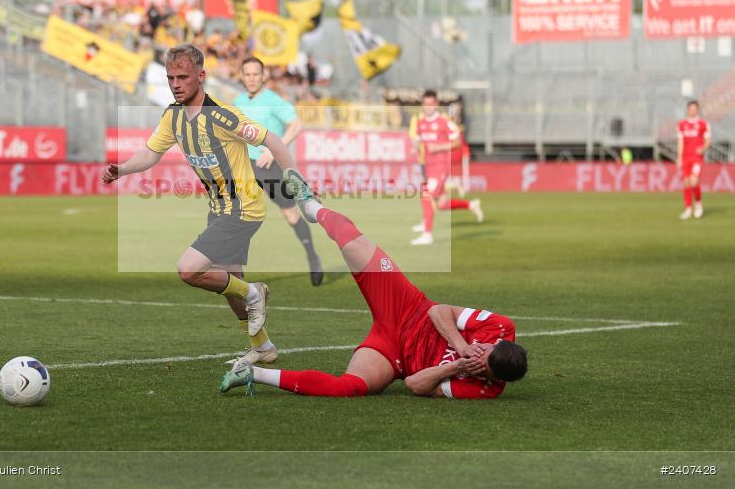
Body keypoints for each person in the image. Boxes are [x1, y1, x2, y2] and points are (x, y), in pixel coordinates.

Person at [220, 169, 527, 399]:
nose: (478, 355)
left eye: (481, 364)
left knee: (349, 387)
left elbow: (414, 385)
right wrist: (462, 345)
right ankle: (312, 207)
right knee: (352, 245)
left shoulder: (483, 388)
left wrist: (456, 367)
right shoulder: (499, 328)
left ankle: (251, 373)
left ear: (493, 377)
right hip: (409, 307)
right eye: (483, 350)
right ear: (495, 343)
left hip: (395, 354)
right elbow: (440, 311)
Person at [102, 44, 305, 365]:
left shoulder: (222, 116)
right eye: (170, 77)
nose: (175, 83)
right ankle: (263, 347)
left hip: (243, 208)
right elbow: (151, 153)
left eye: (183, 76)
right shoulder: (173, 117)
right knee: (229, 280)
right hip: (219, 209)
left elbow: (273, 140)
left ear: (201, 76)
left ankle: (256, 292)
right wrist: (123, 169)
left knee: (189, 269)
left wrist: (296, 180)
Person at [234, 57, 324, 288]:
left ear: (263, 76)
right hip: (247, 167)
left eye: (256, 74)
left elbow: (297, 125)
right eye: (248, 74)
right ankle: (237, 274)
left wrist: (275, 150)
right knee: (239, 216)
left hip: (270, 167)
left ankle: (313, 257)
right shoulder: (238, 101)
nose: (252, 78)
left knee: (291, 215)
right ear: (242, 76)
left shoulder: (274, 101)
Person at [410, 91, 483, 246]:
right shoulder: (421, 123)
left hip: (441, 166)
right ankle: (470, 205)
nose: (428, 107)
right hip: (428, 166)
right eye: (425, 104)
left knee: (426, 195)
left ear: (436, 104)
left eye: (431, 104)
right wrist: (415, 146)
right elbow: (417, 141)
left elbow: (457, 142)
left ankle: (427, 234)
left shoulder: (445, 121)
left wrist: (439, 147)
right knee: (441, 204)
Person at [677, 100, 711, 220]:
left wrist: (703, 148)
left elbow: (708, 140)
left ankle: (698, 203)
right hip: (685, 157)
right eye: (690, 109)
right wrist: (679, 158)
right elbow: (680, 142)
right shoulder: (682, 124)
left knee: (694, 181)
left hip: (696, 158)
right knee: (686, 182)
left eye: (694, 109)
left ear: (697, 110)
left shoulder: (703, 124)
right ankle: (688, 208)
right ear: (688, 109)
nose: (692, 111)